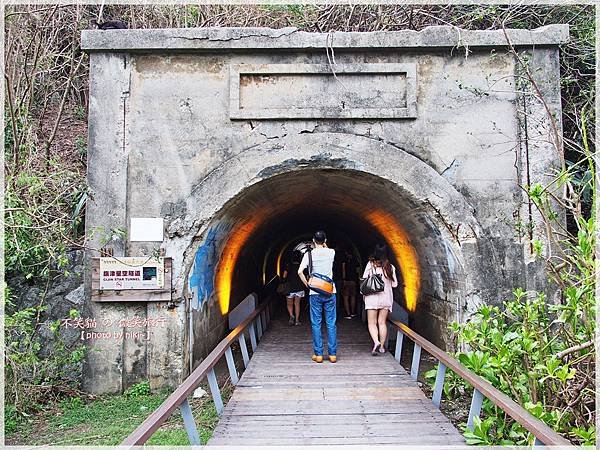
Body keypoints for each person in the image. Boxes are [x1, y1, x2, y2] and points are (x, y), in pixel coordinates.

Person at [298, 230, 337, 363]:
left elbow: (300, 272)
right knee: (331, 323)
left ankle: (318, 354)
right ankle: (332, 355)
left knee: (316, 323)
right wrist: (324, 244)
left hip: (315, 292)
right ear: (325, 240)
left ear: (314, 241)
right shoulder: (331, 252)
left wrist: (308, 285)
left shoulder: (309, 254)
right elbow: (327, 248)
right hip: (330, 291)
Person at [362, 243, 398, 356]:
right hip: (386, 298)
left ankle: (376, 342)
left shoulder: (371, 265)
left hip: (372, 297)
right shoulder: (390, 267)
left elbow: (364, 278)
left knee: (371, 323)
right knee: (382, 322)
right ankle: (382, 347)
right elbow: (395, 284)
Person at [282, 251, 305, 326]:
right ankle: (297, 320)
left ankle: (291, 316)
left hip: (290, 287)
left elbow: (284, 276)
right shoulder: (302, 266)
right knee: (297, 304)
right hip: (299, 287)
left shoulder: (288, 265)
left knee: (289, 304)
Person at [342, 249, 358, 319]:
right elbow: (358, 271)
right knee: (353, 297)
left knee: (346, 297)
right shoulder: (356, 261)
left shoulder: (345, 261)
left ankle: (348, 314)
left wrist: (344, 280)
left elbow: (343, 271)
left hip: (347, 281)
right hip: (354, 280)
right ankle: (352, 313)